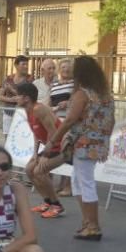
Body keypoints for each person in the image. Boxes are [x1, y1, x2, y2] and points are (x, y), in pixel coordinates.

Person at [45, 56, 115, 241]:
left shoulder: (81, 94)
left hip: (82, 144)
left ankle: (93, 226)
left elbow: (69, 120)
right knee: (77, 181)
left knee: (85, 182)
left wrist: (53, 140)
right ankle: (87, 222)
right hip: (97, 144)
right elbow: (111, 120)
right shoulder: (105, 95)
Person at [15, 83, 66, 218]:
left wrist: (46, 155)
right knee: (29, 169)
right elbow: (37, 134)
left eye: (18, 95)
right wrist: (35, 155)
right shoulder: (28, 110)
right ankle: (47, 202)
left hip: (63, 145)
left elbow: (53, 132)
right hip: (51, 145)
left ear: (26, 98)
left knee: (39, 171)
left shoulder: (39, 109)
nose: (16, 98)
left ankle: (57, 205)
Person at [49, 58, 75, 197]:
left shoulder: (75, 85)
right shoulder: (54, 85)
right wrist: (53, 109)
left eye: (68, 67)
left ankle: (67, 185)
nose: (65, 70)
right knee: (55, 152)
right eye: (63, 67)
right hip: (55, 122)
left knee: (67, 152)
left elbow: (80, 101)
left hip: (69, 122)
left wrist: (69, 103)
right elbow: (49, 102)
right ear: (59, 70)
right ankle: (56, 183)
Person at [0, 55, 33, 135]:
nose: (26, 67)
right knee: (7, 138)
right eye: (23, 64)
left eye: (27, 64)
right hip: (8, 113)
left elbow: (27, 97)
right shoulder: (8, 79)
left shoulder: (29, 79)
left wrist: (12, 90)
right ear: (16, 65)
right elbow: (0, 96)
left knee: (20, 137)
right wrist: (12, 99)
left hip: (23, 114)